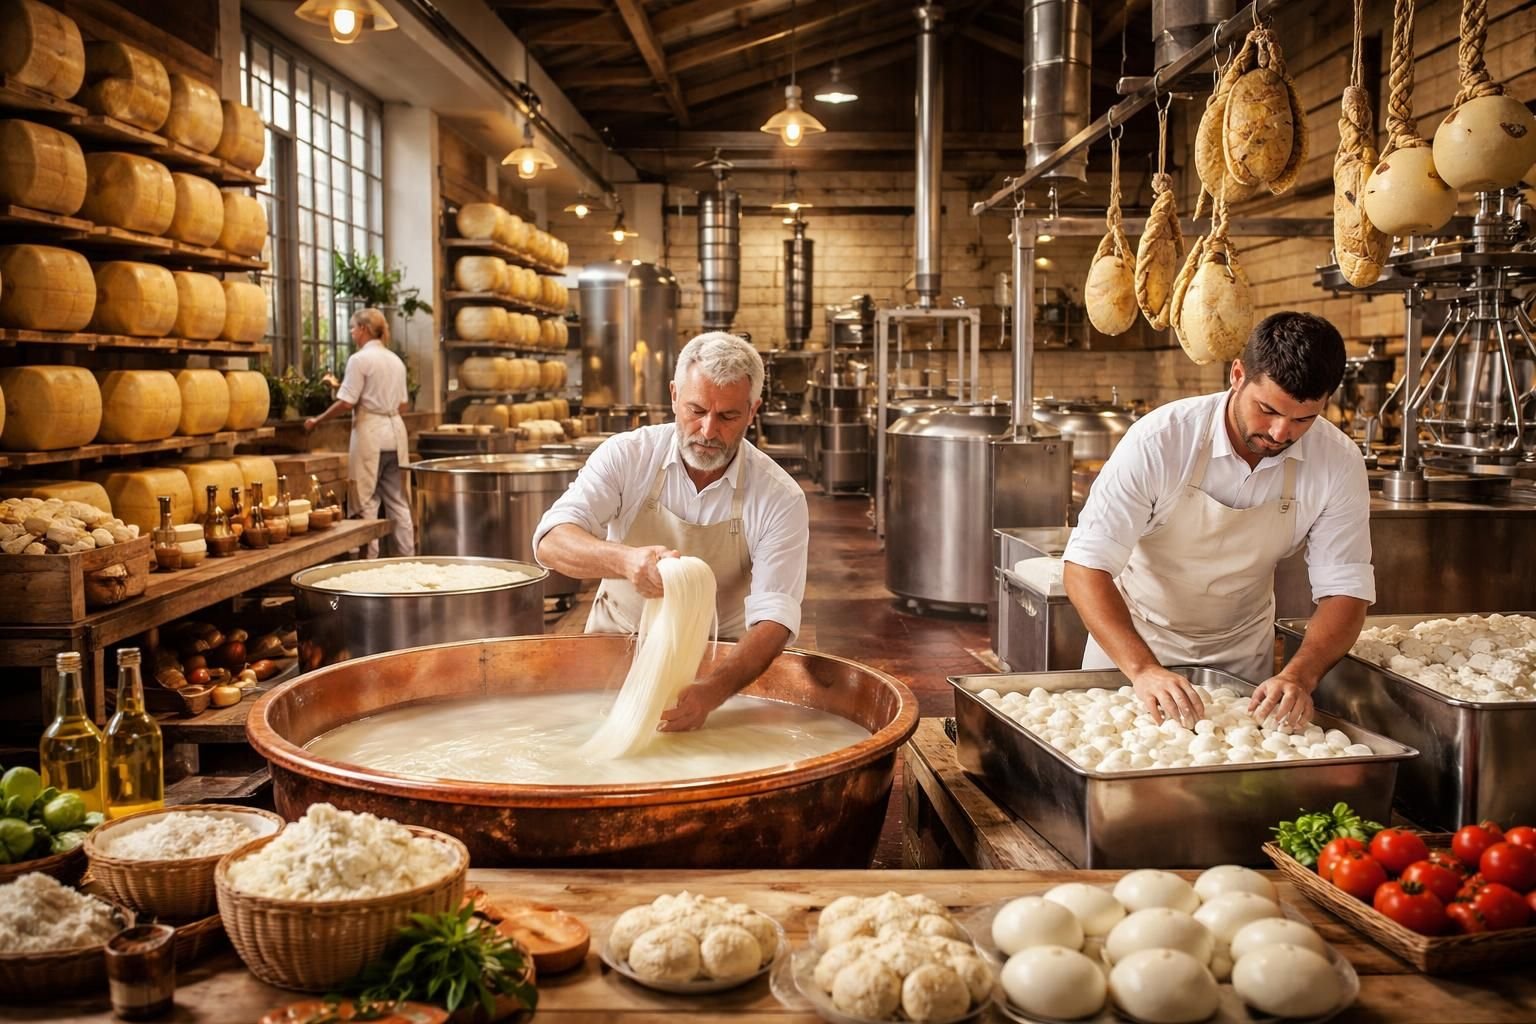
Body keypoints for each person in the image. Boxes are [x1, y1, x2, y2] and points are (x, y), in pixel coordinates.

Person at [1062, 311, 1373, 732]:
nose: (1281, 433)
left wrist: (1300, 675)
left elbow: (1346, 591)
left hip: (1242, 659)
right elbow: (1085, 566)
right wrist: (1142, 669)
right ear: (1238, 375)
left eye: (1303, 419)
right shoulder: (1163, 440)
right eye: (1267, 410)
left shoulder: (1337, 461)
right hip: (1134, 650)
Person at [534, 331, 810, 732]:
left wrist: (711, 691)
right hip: (615, 647)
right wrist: (626, 561)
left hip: (719, 661)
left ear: (753, 411)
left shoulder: (778, 495)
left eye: (729, 416)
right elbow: (551, 541)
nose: (708, 430)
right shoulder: (627, 457)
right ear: (674, 395)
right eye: (696, 409)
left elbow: (775, 617)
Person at [304, 307, 414, 558]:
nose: (352, 333)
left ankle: (367, 564)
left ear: (364, 329)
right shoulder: (395, 360)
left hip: (371, 436)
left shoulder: (360, 360)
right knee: (398, 502)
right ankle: (409, 557)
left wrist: (317, 421)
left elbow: (347, 402)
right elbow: (404, 405)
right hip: (396, 435)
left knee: (365, 501)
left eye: (353, 328)